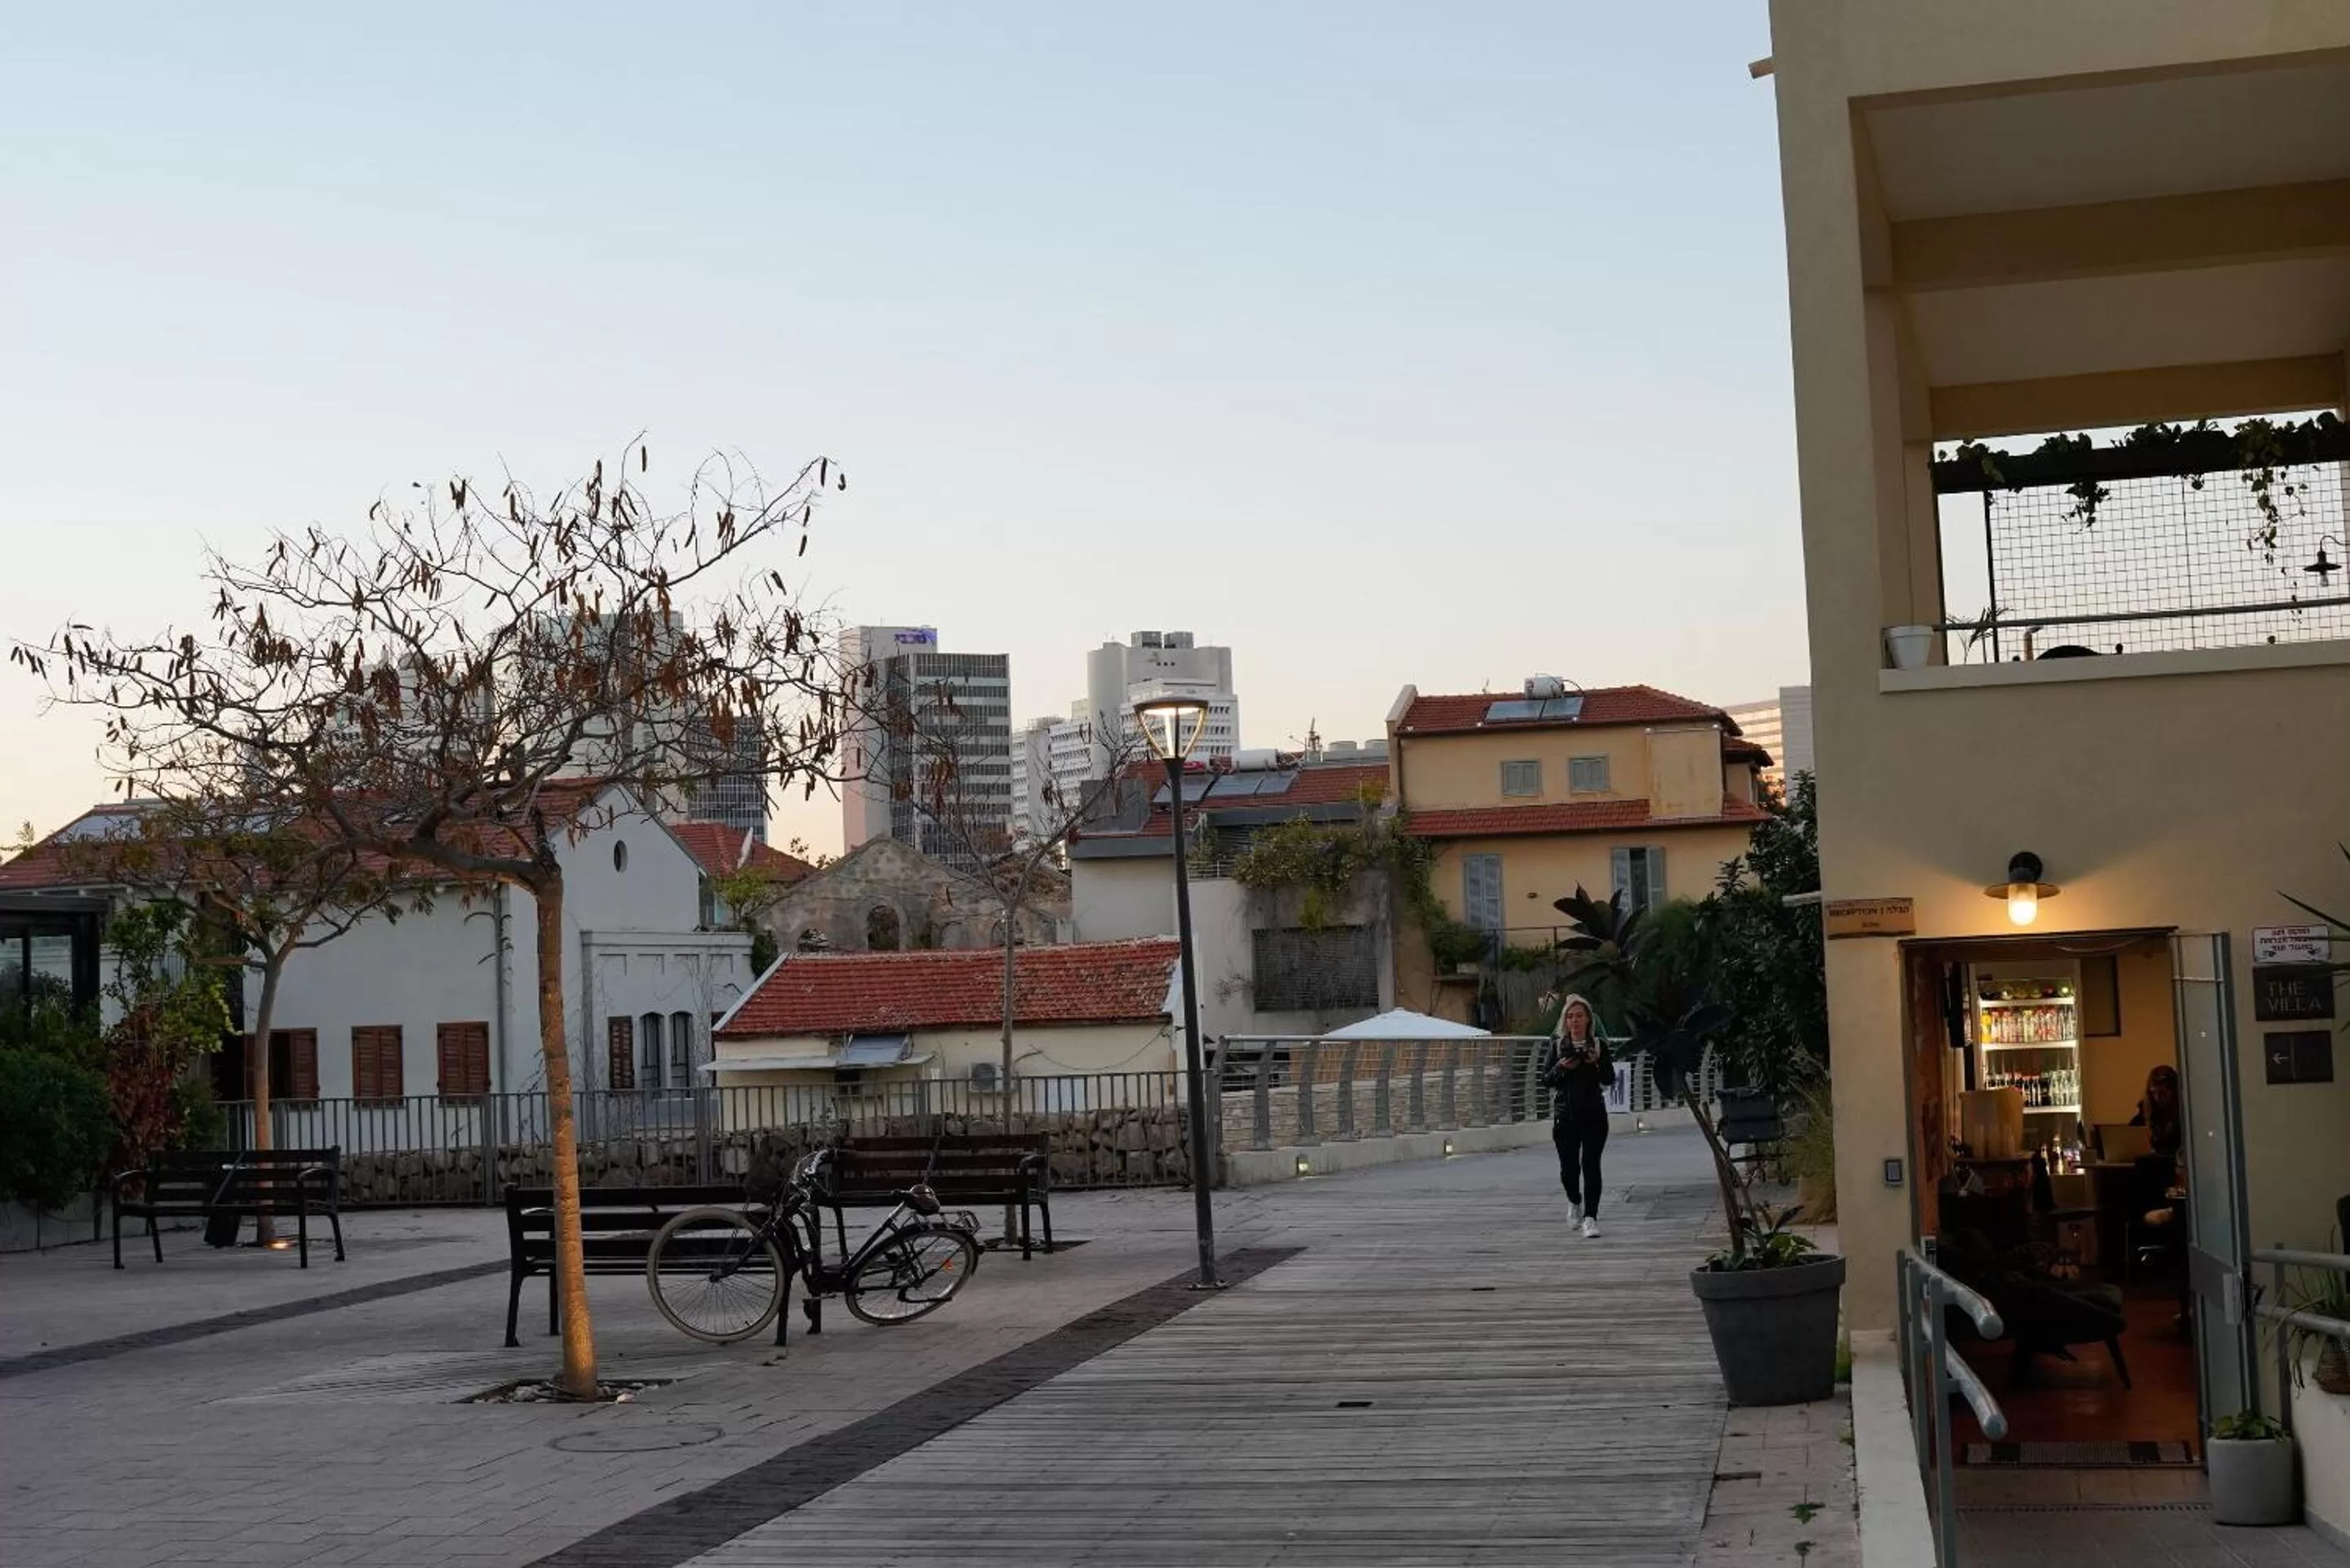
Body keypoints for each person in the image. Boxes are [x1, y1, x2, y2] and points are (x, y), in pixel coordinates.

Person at [1545, 993, 1614, 1238]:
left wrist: (1597, 1063)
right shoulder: (1557, 1046)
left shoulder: (1598, 1046)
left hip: (1594, 1116)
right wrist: (1561, 1067)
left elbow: (1609, 1079)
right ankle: (1574, 1201)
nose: (1574, 1021)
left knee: (1591, 1165)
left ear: (1588, 1020)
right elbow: (1545, 1080)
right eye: (1570, 1017)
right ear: (1565, 1022)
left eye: (1579, 1016)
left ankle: (1591, 1219)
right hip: (1565, 1117)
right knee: (1569, 1170)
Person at [2130, 1064, 2183, 1159]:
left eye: (2163, 1093)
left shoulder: (2183, 1113)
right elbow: (2131, 1132)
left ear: (2174, 1092)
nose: (2157, 1098)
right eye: (2154, 1093)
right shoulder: (2145, 1109)